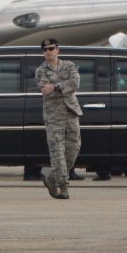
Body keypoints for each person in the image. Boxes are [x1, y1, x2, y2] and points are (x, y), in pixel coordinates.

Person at [35, 38, 82, 199]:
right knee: (57, 152)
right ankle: (63, 186)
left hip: (71, 112)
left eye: (51, 48)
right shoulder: (41, 71)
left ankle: (52, 178)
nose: (48, 51)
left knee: (73, 149)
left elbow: (75, 83)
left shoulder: (69, 66)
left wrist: (56, 86)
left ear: (57, 50)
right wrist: (62, 86)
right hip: (53, 116)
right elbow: (45, 90)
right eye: (45, 49)